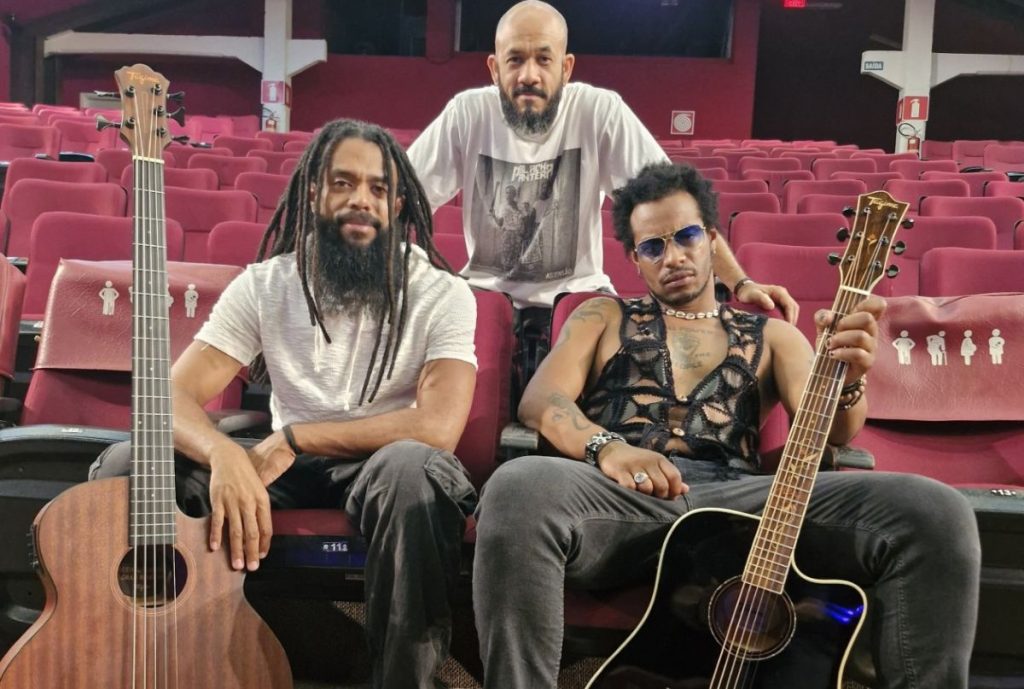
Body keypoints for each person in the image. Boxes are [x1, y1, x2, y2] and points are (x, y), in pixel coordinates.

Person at [472, 163, 980, 689]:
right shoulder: (600, 316)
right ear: (636, 260)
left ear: (712, 240)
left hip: (744, 505)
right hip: (623, 499)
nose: (673, 257)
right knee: (518, 485)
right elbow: (542, 399)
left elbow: (834, 432)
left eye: (687, 237)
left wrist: (849, 381)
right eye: (653, 247)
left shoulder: (776, 335)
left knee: (935, 510)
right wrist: (608, 448)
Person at [91, 119, 479, 689]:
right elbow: (166, 395)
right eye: (343, 182)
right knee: (131, 465)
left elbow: (438, 427)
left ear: (398, 205)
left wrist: (296, 438)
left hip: (380, 465)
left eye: (377, 188)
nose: (361, 200)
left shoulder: (442, 292)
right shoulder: (266, 284)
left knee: (415, 472)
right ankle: (155, 663)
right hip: (284, 471)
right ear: (314, 193)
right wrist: (223, 454)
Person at [407, 0, 796, 385]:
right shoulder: (467, 113)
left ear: (566, 67)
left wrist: (741, 283)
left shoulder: (599, 110)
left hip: (578, 295)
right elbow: (398, 199)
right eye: (515, 60)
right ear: (494, 69)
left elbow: (673, 205)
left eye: (543, 59)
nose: (529, 75)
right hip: (486, 296)